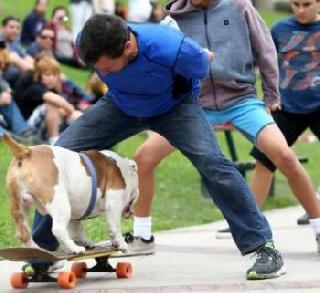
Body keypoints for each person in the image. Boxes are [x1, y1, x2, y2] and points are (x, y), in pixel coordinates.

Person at [28, 14, 285, 280]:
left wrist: (202, 59)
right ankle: (44, 251)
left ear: (128, 47)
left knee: (212, 163)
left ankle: (263, 247)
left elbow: (200, 68)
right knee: (59, 154)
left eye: (108, 68)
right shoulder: (88, 41)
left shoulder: (175, 49)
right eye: (98, 68)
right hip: (120, 105)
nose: (102, 73)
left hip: (175, 108)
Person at [128, 0, 320, 260]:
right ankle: (142, 235)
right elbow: (161, 59)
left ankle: (318, 228)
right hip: (194, 104)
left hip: (242, 99)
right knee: (143, 157)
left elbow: (265, 48)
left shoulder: (240, 7)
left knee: (284, 156)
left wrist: (272, 93)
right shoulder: (174, 15)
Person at [249, 0, 320, 228]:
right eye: (295, 4)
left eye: (307, 4)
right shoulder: (280, 29)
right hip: (287, 107)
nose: (300, 9)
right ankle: (249, 221)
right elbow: (267, 64)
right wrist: (267, 98)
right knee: (264, 159)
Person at [13, 53, 82, 144]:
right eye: (48, 75)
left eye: (55, 75)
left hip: (46, 124)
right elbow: (55, 100)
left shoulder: (52, 88)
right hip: (29, 127)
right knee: (53, 104)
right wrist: (68, 109)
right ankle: (54, 141)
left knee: (77, 116)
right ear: (39, 75)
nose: (52, 78)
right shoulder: (35, 87)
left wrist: (70, 111)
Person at [0, 16, 34, 86]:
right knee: (20, 72)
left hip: (13, 71)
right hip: (3, 76)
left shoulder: (14, 40)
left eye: (18, 28)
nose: (15, 30)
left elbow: (25, 56)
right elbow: (13, 59)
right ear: (3, 28)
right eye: (11, 27)